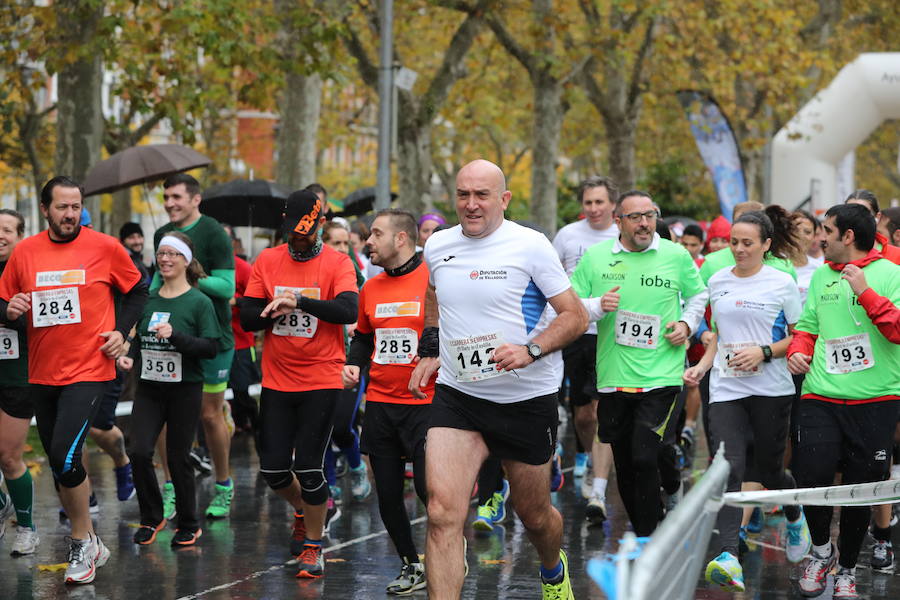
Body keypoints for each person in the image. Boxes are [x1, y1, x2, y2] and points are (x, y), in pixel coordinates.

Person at [408, 159, 588, 600]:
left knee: (534, 515)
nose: (471, 205)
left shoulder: (530, 246)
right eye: (463, 194)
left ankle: (551, 567)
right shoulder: (439, 245)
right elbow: (434, 294)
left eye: (481, 195)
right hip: (459, 394)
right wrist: (432, 347)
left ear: (503, 199)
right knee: (441, 512)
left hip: (525, 398)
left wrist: (531, 350)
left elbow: (576, 316)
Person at [0, 176, 147, 584]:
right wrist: (9, 309)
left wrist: (123, 332)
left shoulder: (104, 247)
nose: (70, 214)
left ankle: (82, 540)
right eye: (62, 207)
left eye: (75, 206)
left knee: (66, 455)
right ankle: (90, 540)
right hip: (42, 373)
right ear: (44, 209)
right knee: (58, 461)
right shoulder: (26, 253)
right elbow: (3, 300)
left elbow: (138, 290)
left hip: (89, 368)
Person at [684, 207, 811, 592]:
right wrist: (704, 366)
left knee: (770, 472)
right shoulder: (719, 279)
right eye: (735, 242)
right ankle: (728, 555)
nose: (738, 249)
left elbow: (800, 333)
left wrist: (764, 352)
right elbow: (719, 333)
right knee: (728, 467)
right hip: (727, 388)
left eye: (747, 243)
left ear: (766, 245)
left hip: (771, 388)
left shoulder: (781, 282)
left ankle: (793, 511)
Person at [570, 190, 707, 538]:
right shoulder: (597, 258)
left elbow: (698, 295)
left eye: (651, 214)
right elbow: (570, 305)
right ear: (618, 222)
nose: (645, 223)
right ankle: (648, 526)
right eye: (636, 217)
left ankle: (648, 536)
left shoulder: (675, 255)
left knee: (644, 455)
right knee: (627, 462)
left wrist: (687, 324)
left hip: (661, 376)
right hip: (614, 377)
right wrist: (599, 305)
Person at [240, 189, 358, 579]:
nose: (297, 239)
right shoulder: (268, 259)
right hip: (276, 379)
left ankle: (313, 544)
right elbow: (248, 316)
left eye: (304, 233)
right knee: (273, 470)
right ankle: (308, 510)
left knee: (309, 467)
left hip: (321, 378)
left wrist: (300, 302)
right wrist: (272, 310)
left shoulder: (338, 262)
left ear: (320, 225)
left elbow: (346, 310)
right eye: (291, 231)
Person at [787, 203, 900, 598]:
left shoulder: (891, 274)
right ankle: (821, 551)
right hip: (821, 394)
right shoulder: (820, 277)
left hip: (876, 400)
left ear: (847, 237)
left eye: (827, 231)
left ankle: (848, 569)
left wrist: (864, 292)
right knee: (811, 474)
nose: (820, 238)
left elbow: (898, 331)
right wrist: (797, 350)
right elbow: (807, 327)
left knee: (860, 488)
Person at [343, 209, 435, 594]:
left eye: (376, 234)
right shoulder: (372, 287)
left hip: (427, 403)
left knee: (434, 493)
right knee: (388, 493)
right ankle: (410, 563)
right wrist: (353, 364)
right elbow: (364, 336)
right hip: (381, 402)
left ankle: (447, 550)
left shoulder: (433, 279)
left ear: (401, 239)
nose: (368, 241)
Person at [119, 232, 220, 547]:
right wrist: (129, 355)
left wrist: (176, 336)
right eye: (161, 253)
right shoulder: (149, 299)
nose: (165, 259)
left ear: (185, 261)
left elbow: (211, 347)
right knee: (138, 451)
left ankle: (190, 523)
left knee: (177, 458)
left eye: (172, 254)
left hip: (184, 389)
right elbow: (138, 337)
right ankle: (153, 517)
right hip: (149, 388)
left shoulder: (199, 302)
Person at [155, 173, 236, 518]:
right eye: (166, 198)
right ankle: (170, 487)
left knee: (208, 415)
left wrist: (193, 277)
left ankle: (223, 485)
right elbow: (157, 282)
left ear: (195, 199)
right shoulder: (161, 234)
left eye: (177, 197)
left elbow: (228, 287)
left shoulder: (214, 233)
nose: (171, 203)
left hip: (212, 338)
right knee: (164, 419)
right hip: (169, 337)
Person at [551, 175, 619, 523]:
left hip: (609, 330)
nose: (593, 209)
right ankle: (584, 452)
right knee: (582, 412)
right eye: (588, 203)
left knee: (601, 407)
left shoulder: (619, 236)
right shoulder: (567, 235)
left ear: (612, 205)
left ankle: (598, 472)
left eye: (599, 202)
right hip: (575, 328)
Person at [0, 209, 38, 556]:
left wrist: (11, 315)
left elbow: (38, 324)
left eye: (7, 230)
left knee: (8, 456)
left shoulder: (30, 272)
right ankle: (1, 505)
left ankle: (26, 528)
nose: (0, 235)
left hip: (17, 376)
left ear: (20, 236)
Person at [845, 189, 900, 264]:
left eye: (863, 213)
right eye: (850, 213)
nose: (855, 219)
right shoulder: (834, 256)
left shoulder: (896, 255)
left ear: (877, 217)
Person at [792, 211, 825, 306]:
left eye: (807, 232)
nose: (801, 236)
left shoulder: (820, 269)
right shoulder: (774, 265)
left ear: (814, 236)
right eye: (795, 230)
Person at [120, 221, 151, 285]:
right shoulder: (122, 261)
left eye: (139, 236)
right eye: (131, 238)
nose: (137, 241)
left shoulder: (146, 259)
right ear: (123, 241)